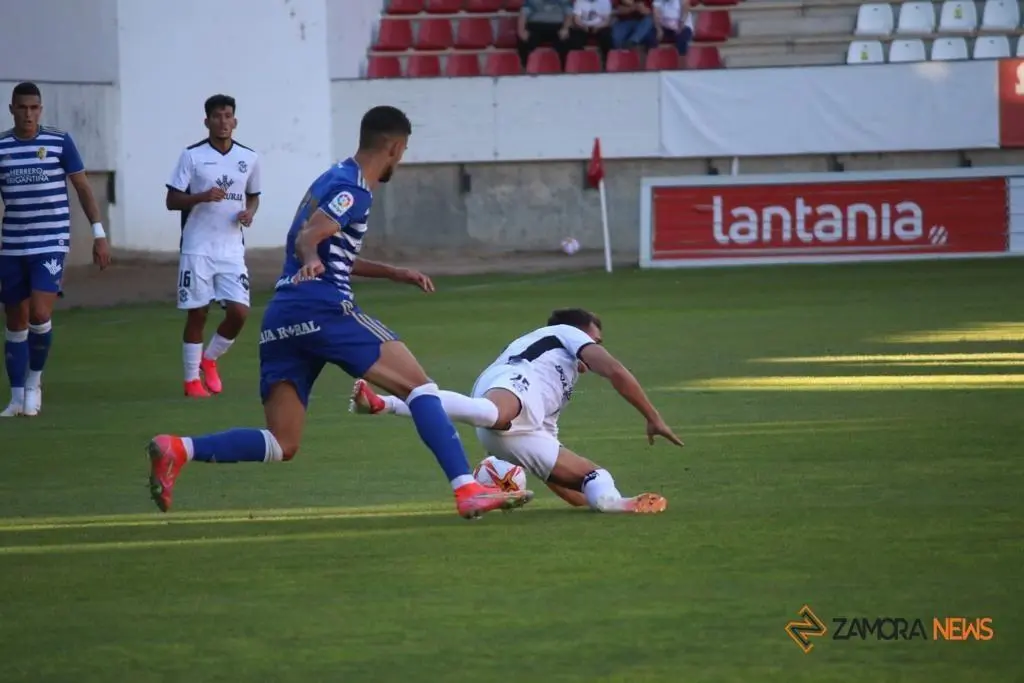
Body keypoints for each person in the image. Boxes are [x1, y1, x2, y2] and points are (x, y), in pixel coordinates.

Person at [146, 105, 533, 520]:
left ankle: (179, 448)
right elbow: (311, 237)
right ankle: (467, 489)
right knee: (421, 389)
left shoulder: (328, 179)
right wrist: (312, 256)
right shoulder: (356, 188)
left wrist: (393, 272)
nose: (399, 160)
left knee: (282, 442)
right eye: (402, 152)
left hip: (281, 316)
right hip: (323, 306)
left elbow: (320, 240)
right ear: (394, 146)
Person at [350, 308, 683, 514]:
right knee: (493, 413)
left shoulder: (560, 383)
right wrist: (652, 416)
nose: (598, 347)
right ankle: (386, 403)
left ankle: (615, 503)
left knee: (595, 476)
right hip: (509, 382)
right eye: (596, 340)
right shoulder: (562, 335)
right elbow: (616, 372)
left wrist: (585, 494)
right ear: (580, 334)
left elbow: (549, 451)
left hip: (516, 435)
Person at [0, 81, 111, 417]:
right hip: (13, 243)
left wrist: (98, 233)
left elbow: (82, 187)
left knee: (40, 313)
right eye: (22, 108)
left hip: (50, 241)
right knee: (15, 319)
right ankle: (16, 396)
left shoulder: (59, 141)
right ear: (12, 110)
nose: (28, 114)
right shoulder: (2, 147)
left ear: (41, 110)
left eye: (34, 108)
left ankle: (34, 382)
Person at [166, 94, 261, 398]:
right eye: (217, 116)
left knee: (240, 312)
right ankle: (191, 381)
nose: (223, 122)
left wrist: (250, 213)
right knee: (198, 313)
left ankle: (210, 359)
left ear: (235, 121)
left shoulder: (249, 157)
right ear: (207, 121)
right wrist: (201, 196)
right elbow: (172, 200)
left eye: (228, 116)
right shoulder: (191, 156)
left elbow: (253, 194)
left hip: (231, 248)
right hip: (197, 247)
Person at [517, 0, 575, 69]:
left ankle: (562, 68)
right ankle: (525, 66)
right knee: (525, 40)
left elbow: (569, 15)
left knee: (566, 38)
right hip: (536, 26)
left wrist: (565, 28)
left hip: (557, 26)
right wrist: (521, 30)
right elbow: (523, 15)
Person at [569, 0, 614, 65]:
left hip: (600, 27)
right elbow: (577, 19)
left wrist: (598, 27)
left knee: (606, 37)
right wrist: (583, 26)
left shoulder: (605, 2)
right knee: (575, 37)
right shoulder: (579, 2)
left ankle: (607, 61)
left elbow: (607, 21)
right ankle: (578, 61)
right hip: (583, 27)